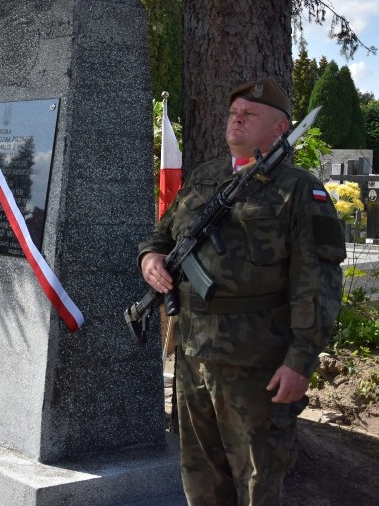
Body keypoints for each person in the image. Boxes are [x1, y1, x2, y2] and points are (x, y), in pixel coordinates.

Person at [138, 78, 345, 505]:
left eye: (250, 113)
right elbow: (160, 238)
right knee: (199, 477)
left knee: (257, 480)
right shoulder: (205, 176)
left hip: (257, 366)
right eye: (234, 112)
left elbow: (318, 282)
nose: (237, 118)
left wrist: (300, 361)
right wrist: (151, 261)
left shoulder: (300, 190)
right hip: (194, 358)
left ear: (279, 128)